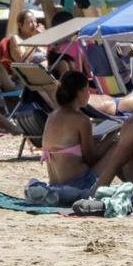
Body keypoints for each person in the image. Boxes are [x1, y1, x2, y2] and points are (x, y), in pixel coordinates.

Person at [34, 72, 112, 202]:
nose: (89, 94)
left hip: (55, 185)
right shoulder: (82, 120)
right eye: (87, 90)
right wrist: (110, 136)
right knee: (117, 146)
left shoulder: (52, 116)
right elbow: (90, 159)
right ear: (79, 92)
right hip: (78, 186)